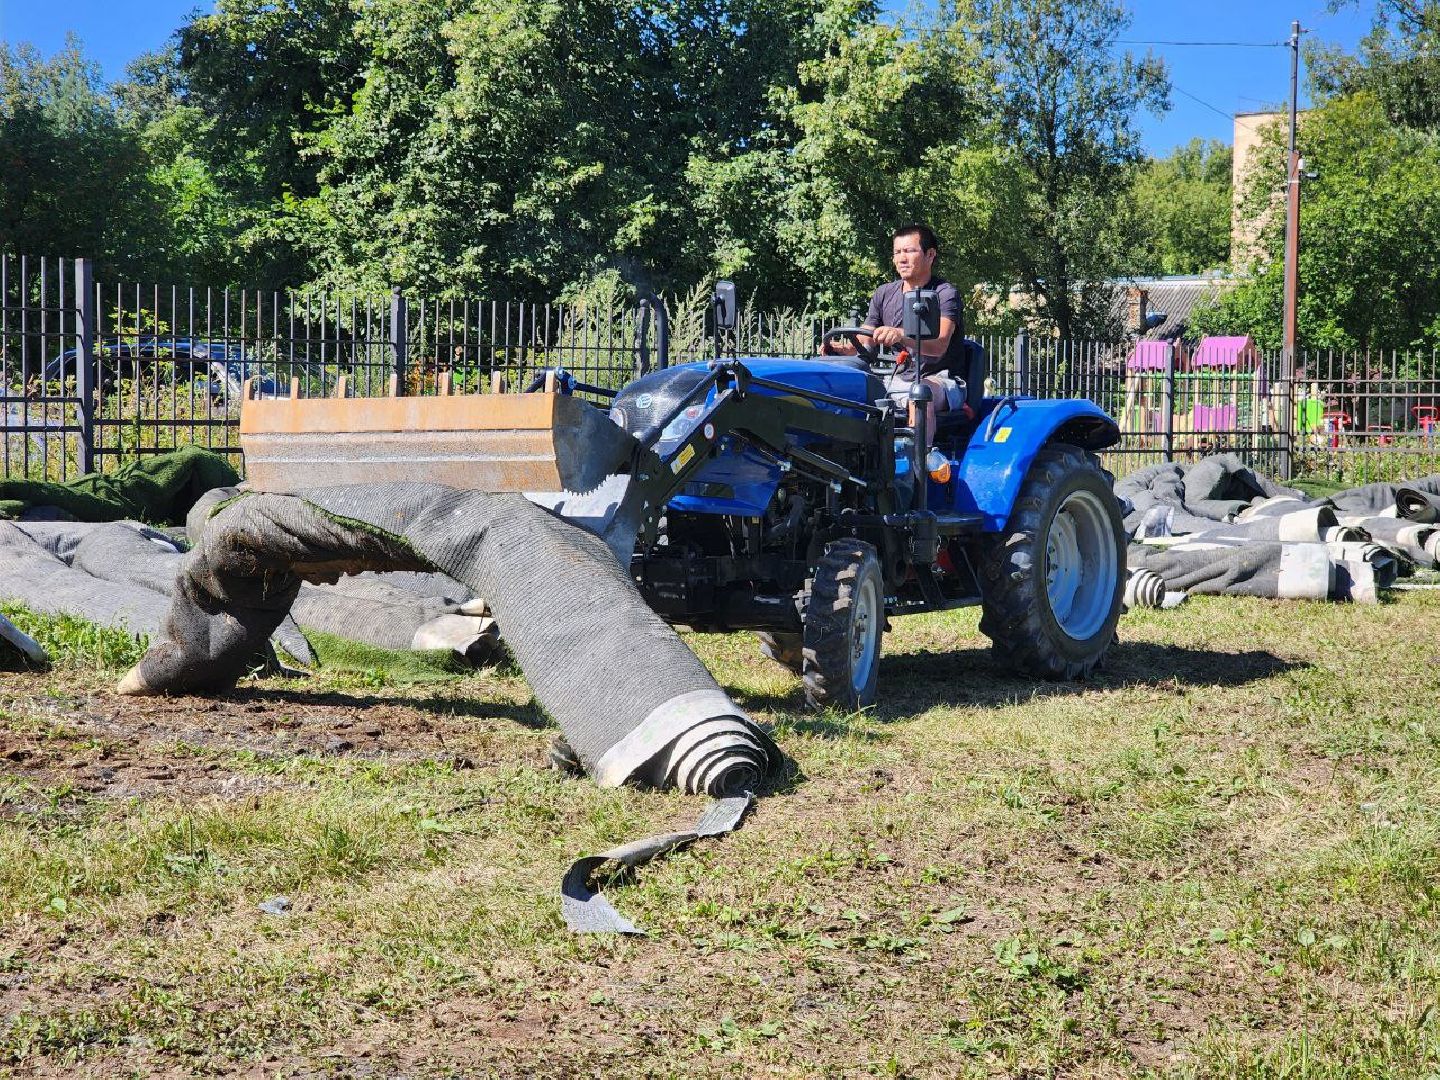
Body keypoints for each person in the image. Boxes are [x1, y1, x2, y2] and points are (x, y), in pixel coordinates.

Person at [822, 223, 968, 435]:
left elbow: (939, 346)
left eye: (909, 251)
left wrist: (901, 334)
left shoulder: (945, 294)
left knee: (920, 394)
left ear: (930, 255)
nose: (901, 258)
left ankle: (920, 462)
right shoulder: (884, 293)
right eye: (897, 252)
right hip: (896, 379)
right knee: (847, 392)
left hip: (942, 380)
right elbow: (865, 341)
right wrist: (843, 350)